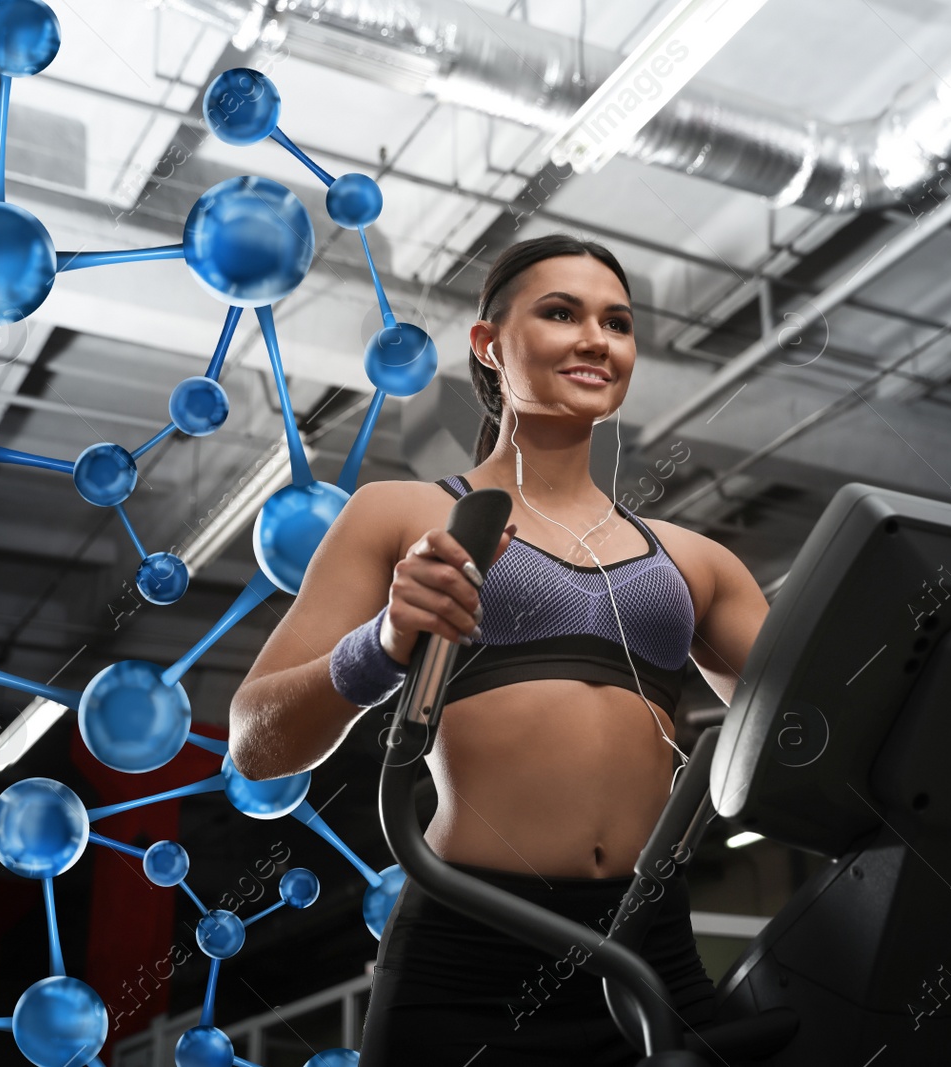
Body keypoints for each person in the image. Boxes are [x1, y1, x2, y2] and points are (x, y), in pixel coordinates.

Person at [228, 233, 771, 1065]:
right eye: (561, 312)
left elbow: (808, 740)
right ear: (489, 344)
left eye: (616, 323)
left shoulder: (696, 562)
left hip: (647, 948)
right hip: (471, 950)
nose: (596, 338)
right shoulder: (403, 514)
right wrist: (382, 643)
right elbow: (256, 742)